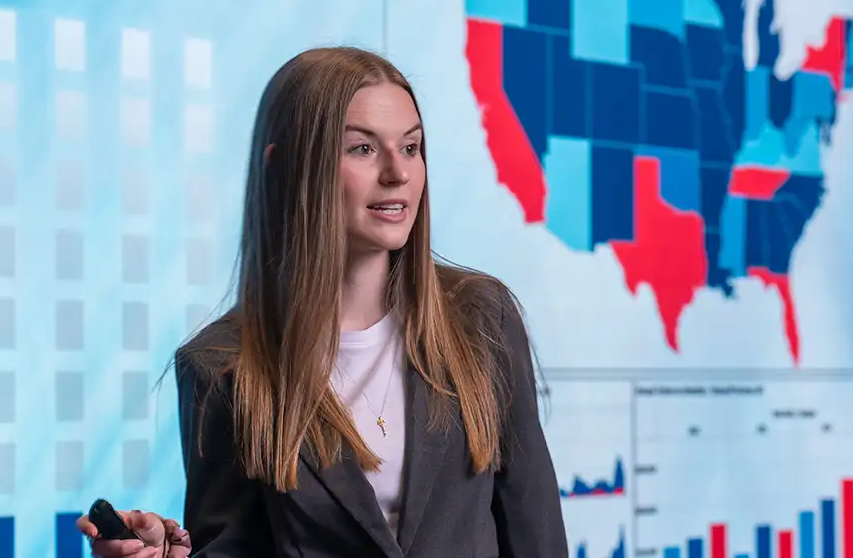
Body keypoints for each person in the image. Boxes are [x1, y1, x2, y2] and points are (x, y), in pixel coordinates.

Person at [79, 46, 567, 557]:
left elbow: (537, 537)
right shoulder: (220, 368)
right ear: (284, 166)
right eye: (362, 149)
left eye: (410, 148)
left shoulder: (483, 319)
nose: (397, 174)